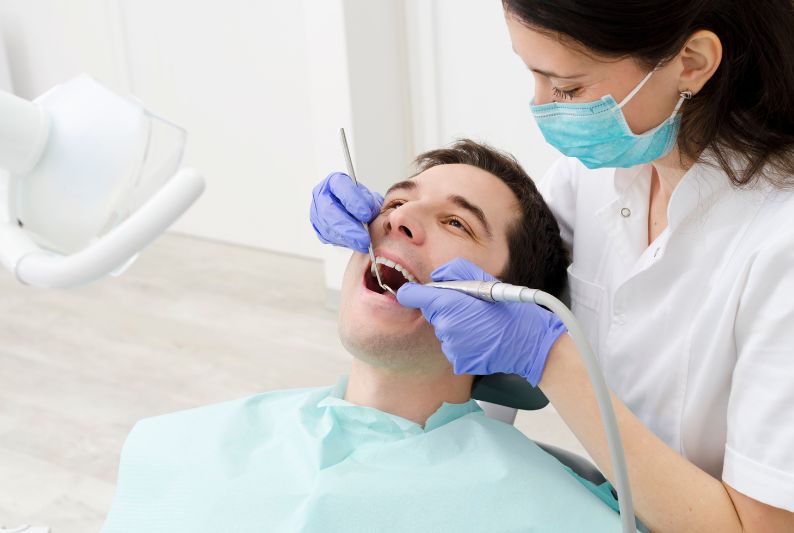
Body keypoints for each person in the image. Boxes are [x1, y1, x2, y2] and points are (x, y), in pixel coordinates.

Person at [309, 2, 794, 532]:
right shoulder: (591, 175)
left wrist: (549, 358)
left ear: (692, 62)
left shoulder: (783, 242)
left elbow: (763, 527)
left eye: (567, 88)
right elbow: (511, 273)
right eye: (397, 202)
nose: (541, 106)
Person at [100, 140, 636, 533]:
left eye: (457, 223)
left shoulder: (555, 515)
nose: (398, 221)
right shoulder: (180, 447)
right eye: (396, 202)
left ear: (507, 303)